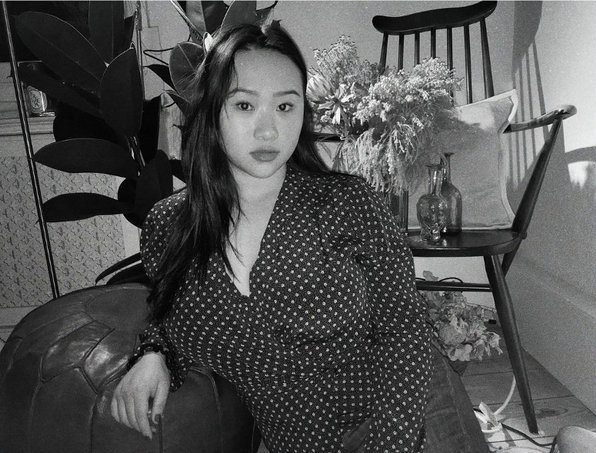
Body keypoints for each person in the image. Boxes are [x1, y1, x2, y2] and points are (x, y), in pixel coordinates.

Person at [111, 22, 432, 453]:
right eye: (244, 105)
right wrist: (154, 353)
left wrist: (391, 447)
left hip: (403, 423)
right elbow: (167, 307)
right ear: (210, 111)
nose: (268, 130)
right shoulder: (168, 226)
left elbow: (406, 331)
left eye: (285, 106)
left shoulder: (349, 203)